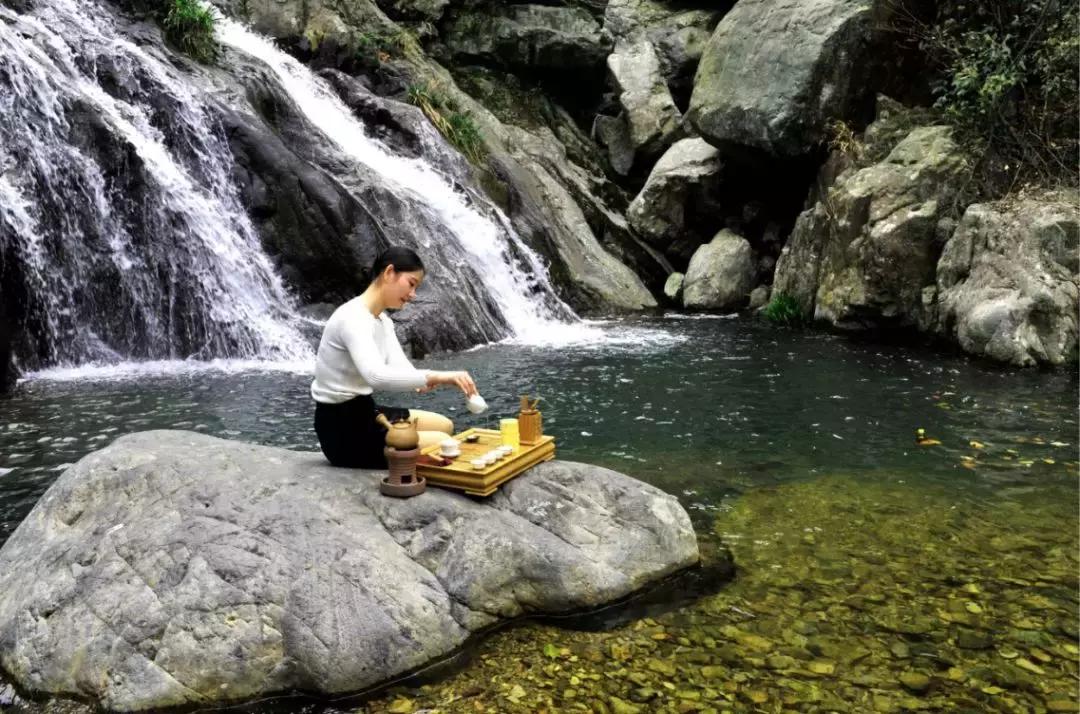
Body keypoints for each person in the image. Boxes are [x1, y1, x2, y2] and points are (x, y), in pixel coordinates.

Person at [311, 246, 478, 468]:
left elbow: (401, 368)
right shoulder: (352, 317)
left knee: (444, 425)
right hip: (342, 430)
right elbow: (376, 377)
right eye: (411, 283)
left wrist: (430, 381)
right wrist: (437, 375)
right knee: (442, 442)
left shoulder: (383, 321)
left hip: (366, 411)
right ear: (389, 273)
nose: (413, 294)